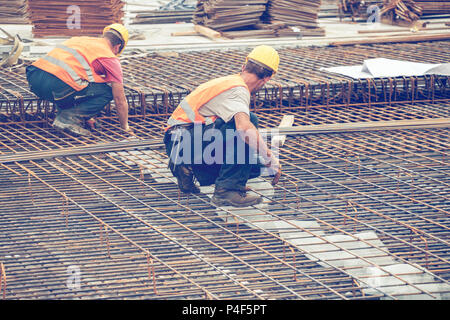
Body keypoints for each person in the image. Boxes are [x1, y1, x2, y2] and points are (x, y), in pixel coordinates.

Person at [164, 45, 282, 208]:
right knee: (249, 123)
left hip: (179, 141)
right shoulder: (238, 90)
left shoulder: (230, 82)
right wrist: (271, 159)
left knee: (254, 166)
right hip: (185, 141)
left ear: (244, 66)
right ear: (267, 78)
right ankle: (226, 190)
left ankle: (187, 167)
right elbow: (244, 129)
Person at [26, 23, 132, 136]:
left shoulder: (79, 40)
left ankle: (69, 118)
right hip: (58, 83)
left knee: (73, 84)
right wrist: (125, 128)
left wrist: (87, 117)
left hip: (34, 78)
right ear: (117, 47)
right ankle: (67, 119)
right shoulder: (109, 57)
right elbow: (119, 99)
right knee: (108, 91)